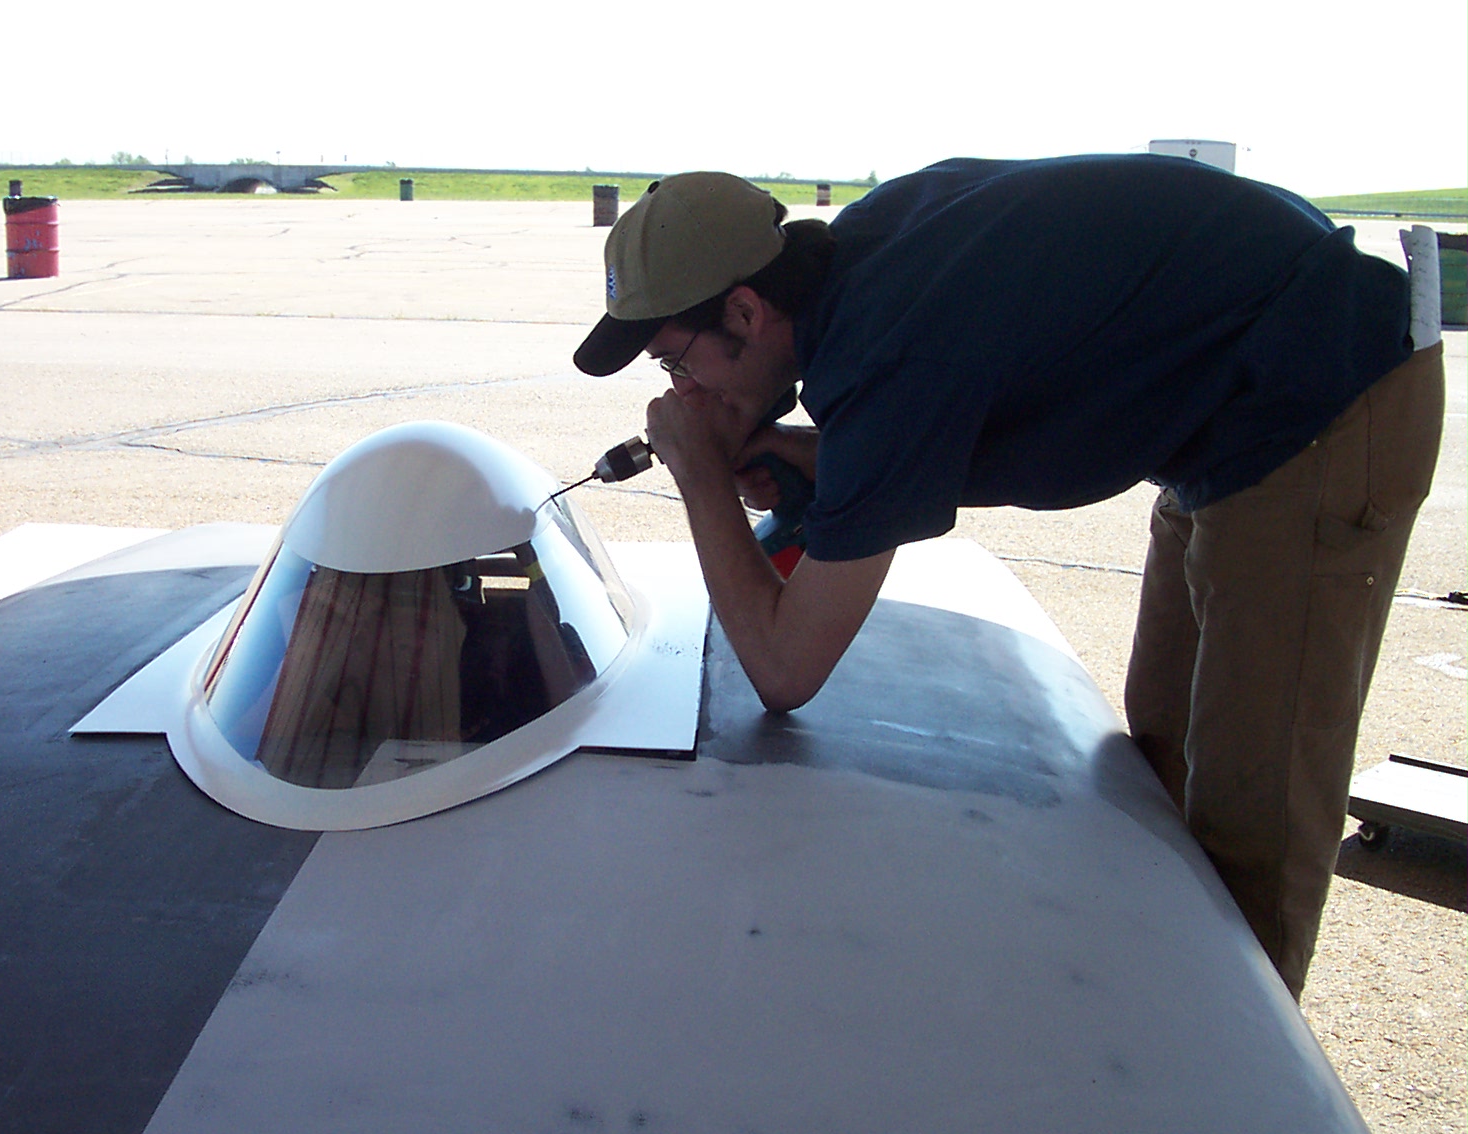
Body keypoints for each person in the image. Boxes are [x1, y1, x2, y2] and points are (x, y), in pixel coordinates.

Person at [572, 159, 1444, 998]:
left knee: (1254, 810)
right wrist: (819, 456)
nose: (681, 392)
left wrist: (698, 479)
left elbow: (784, 670)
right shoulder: (863, 264)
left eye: (676, 363)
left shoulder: (884, 346)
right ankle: (1159, 1003)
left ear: (748, 310)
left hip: (1319, 398)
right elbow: (959, 397)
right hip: (1216, 410)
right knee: (1163, 752)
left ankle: (1241, 1089)